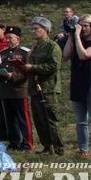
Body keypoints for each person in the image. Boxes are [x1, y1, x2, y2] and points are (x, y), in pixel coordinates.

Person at [64, 15, 91, 159]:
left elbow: (84, 55)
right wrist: (71, 35)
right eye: (80, 25)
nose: (82, 28)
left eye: (86, 26)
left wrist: (76, 36)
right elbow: (65, 54)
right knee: (81, 121)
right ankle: (83, 150)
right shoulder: (77, 38)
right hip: (77, 82)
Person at [22, 16, 64, 155]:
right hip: (35, 88)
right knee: (39, 119)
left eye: (36, 29)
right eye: (32, 29)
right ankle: (47, 146)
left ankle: (58, 148)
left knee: (50, 119)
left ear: (45, 30)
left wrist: (33, 67)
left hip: (48, 88)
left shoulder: (52, 47)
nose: (33, 31)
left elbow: (54, 66)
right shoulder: (35, 48)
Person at [0, 26, 32, 151]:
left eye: (10, 38)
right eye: (7, 38)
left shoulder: (25, 53)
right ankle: (14, 142)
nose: (8, 40)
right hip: (5, 90)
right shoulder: (2, 53)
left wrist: (13, 76)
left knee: (22, 118)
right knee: (9, 118)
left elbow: (27, 71)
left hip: (19, 90)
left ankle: (27, 143)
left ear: (18, 39)